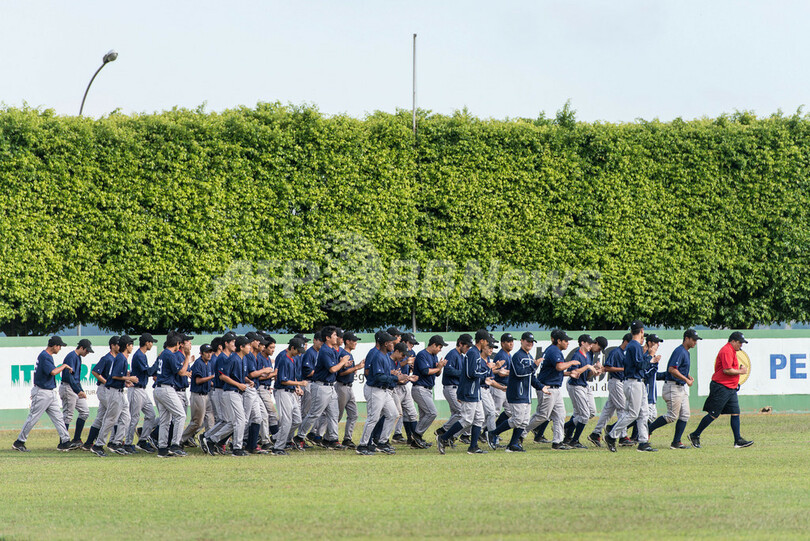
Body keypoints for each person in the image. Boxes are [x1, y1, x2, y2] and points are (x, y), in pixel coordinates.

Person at [688, 332, 754, 449]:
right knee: (713, 414)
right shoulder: (726, 350)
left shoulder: (732, 351)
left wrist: (737, 375)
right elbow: (726, 370)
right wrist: (741, 371)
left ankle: (737, 440)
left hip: (730, 388)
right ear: (732, 341)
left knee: (735, 413)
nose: (741, 345)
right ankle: (695, 434)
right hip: (721, 387)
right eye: (739, 343)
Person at [12, 336, 77, 452]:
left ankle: (65, 442)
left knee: (58, 418)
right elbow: (53, 372)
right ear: (55, 346)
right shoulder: (45, 356)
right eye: (60, 346)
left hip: (50, 392)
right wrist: (64, 366)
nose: (60, 348)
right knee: (33, 418)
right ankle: (19, 442)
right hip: (42, 392)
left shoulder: (47, 356)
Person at [436, 330, 494, 455]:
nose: (488, 344)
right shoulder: (473, 353)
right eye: (487, 341)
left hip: (475, 390)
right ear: (482, 341)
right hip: (469, 391)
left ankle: (473, 447)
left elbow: (473, 373)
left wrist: (484, 377)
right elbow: (470, 373)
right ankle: (443, 437)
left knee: (479, 419)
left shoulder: (475, 353)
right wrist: (487, 372)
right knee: (467, 419)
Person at [488, 332, 546, 452]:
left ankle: (512, 445)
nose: (529, 344)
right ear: (522, 341)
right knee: (517, 420)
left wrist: (541, 387)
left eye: (531, 342)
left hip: (526, 395)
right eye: (527, 341)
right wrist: (534, 366)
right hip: (516, 393)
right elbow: (519, 373)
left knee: (524, 422)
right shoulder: (517, 356)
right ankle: (493, 433)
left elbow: (531, 377)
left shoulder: (530, 357)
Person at [605, 321, 658, 452]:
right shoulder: (634, 346)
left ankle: (643, 442)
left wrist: (650, 360)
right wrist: (650, 356)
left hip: (638, 382)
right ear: (642, 331)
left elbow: (640, 364)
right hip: (633, 382)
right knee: (633, 414)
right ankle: (612, 435)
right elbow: (640, 365)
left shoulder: (634, 345)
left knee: (643, 413)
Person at [297, 326, 351, 449]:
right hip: (321, 386)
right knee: (314, 414)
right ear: (327, 338)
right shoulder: (325, 350)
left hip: (330, 386)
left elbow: (334, 368)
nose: (336, 337)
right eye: (334, 335)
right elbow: (332, 369)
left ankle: (332, 439)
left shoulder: (331, 350)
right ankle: (299, 437)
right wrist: (342, 363)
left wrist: (343, 365)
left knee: (333, 413)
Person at [525, 330, 581, 450]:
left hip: (554, 387)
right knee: (542, 416)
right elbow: (559, 366)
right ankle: (520, 433)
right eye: (565, 341)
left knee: (560, 415)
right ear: (558, 341)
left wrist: (569, 373)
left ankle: (557, 442)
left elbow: (555, 371)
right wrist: (571, 362)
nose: (567, 343)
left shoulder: (555, 350)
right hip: (547, 388)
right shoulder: (554, 350)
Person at [356, 331, 407, 456]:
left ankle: (382, 442)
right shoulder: (378, 356)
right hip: (375, 389)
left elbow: (385, 375)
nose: (393, 344)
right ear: (385, 344)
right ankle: (362, 445)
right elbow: (378, 377)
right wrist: (396, 378)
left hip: (383, 390)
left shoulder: (385, 355)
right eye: (390, 342)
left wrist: (395, 375)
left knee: (393, 414)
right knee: (373, 418)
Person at [648, 329, 700, 449]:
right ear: (686, 338)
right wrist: (686, 379)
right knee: (671, 416)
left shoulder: (686, 352)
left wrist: (687, 376)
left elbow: (679, 369)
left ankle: (676, 442)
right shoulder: (680, 351)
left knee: (685, 414)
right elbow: (672, 369)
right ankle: (648, 429)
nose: (695, 342)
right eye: (693, 340)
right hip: (672, 386)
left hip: (680, 387)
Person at [93, 335, 139, 456]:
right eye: (131, 344)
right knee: (110, 420)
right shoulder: (121, 358)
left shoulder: (121, 357)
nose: (132, 347)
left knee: (126, 418)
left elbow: (117, 376)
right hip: (114, 392)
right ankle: (98, 445)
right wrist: (130, 378)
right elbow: (114, 376)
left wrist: (125, 382)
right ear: (127, 346)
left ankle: (116, 443)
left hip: (118, 391)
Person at [589, 333, 631, 447]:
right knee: (622, 409)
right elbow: (607, 367)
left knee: (608, 411)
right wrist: (624, 369)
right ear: (626, 341)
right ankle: (622, 436)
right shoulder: (616, 352)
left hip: (620, 382)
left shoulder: (624, 353)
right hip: (616, 381)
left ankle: (595, 433)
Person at [153, 334, 191, 458]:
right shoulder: (170, 354)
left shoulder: (163, 353)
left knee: (165, 420)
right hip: (166, 389)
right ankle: (175, 445)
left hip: (159, 388)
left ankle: (163, 448)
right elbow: (181, 372)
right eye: (178, 344)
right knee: (181, 415)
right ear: (177, 344)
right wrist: (188, 356)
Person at [563, 334, 602, 449]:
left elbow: (586, 376)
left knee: (591, 412)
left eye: (592, 343)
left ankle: (564, 427)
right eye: (589, 343)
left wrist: (595, 370)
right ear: (582, 343)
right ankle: (574, 440)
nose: (591, 345)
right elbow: (572, 373)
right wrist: (587, 367)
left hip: (583, 385)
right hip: (576, 386)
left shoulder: (588, 356)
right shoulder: (577, 355)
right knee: (583, 415)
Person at [82, 336, 120, 451]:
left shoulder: (117, 358)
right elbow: (95, 371)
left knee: (100, 417)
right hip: (104, 389)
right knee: (115, 414)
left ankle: (89, 443)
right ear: (112, 346)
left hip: (108, 389)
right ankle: (114, 442)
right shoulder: (107, 358)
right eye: (118, 344)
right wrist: (106, 382)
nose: (120, 346)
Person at [273, 337, 309, 456]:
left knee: (297, 420)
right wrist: (299, 383)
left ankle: (276, 438)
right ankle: (278, 447)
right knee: (287, 421)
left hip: (290, 392)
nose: (299, 353)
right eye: (298, 350)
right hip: (283, 392)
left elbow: (290, 377)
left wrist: (296, 387)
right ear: (292, 348)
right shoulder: (284, 359)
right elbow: (282, 380)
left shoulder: (292, 359)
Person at [411, 335, 448, 448]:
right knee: (432, 412)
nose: (440, 349)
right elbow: (425, 371)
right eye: (439, 347)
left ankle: (416, 442)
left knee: (424, 416)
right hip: (420, 388)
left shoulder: (433, 356)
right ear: (433, 345)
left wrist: (440, 367)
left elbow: (436, 374)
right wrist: (438, 368)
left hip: (427, 389)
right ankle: (416, 435)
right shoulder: (422, 354)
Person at [436, 334, 472, 442]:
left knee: (456, 414)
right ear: (460, 344)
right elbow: (448, 370)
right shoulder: (453, 354)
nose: (468, 348)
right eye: (467, 346)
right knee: (461, 412)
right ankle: (442, 430)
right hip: (450, 387)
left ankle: (449, 438)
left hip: (456, 388)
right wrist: (464, 373)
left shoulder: (460, 355)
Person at [181, 343, 215, 448]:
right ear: (201, 353)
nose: (209, 354)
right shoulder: (198, 363)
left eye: (210, 352)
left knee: (210, 420)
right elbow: (198, 380)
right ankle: (180, 439)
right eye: (206, 352)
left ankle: (208, 440)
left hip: (206, 394)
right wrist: (212, 377)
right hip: (198, 395)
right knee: (197, 422)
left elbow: (208, 381)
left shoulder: (208, 364)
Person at [60, 338, 93, 446]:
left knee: (85, 412)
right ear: (81, 348)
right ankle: (63, 442)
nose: (87, 353)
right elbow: (68, 376)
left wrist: (80, 390)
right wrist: (78, 390)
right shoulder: (71, 357)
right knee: (68, 415)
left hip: (74, 388)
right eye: (87, 350)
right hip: (68, 387)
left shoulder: (78, 357)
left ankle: (76, 439)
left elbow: (76, 378)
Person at [336, 331, 364, 449]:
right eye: (354, 340)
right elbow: (340, 373)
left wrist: (354, 368)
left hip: (349, 387)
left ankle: (347, 438)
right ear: (347, 341)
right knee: (337, 415)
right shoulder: (342, 354)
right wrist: (356, 367)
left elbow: (348, 370)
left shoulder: (349, 354)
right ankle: (329, 438)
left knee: (353, 414)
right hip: (341, 386)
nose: (356, 343)